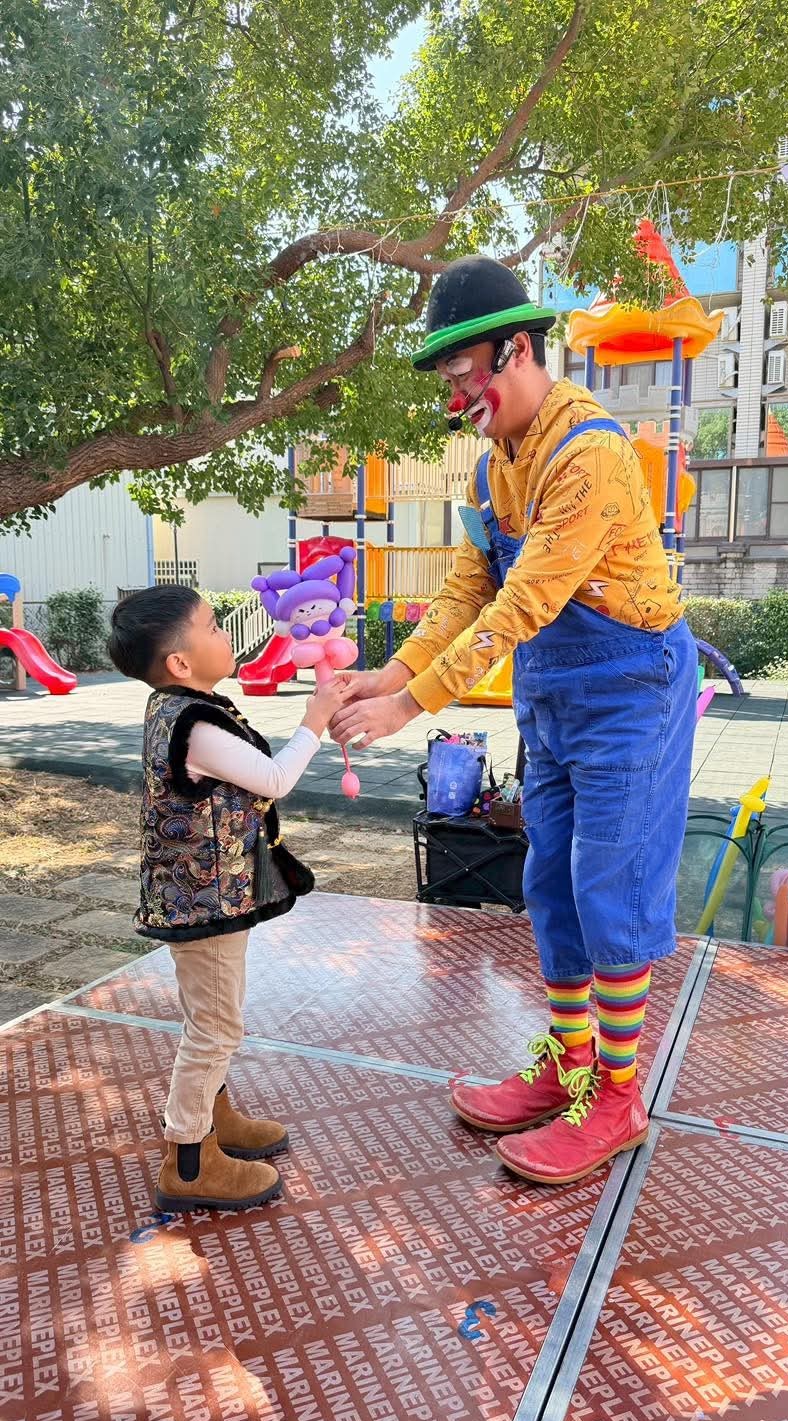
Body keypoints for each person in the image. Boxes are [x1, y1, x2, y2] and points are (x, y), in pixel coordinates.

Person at [331, 255, 697, 1186]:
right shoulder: (496, 463)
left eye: (464, 376)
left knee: (610, 888)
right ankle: (571, 1067)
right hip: (556, 700)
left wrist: (410, 705)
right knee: (550, 882)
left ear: (518, 350)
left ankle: (617, 1097)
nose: (457, 400)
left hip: (631, 693)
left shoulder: (591, 455)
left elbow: (522, 603)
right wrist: (390, 672)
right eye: (449, 384)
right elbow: (468, 589)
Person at [109, 585, 344, 1211]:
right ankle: (188, 1161)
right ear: (180, 662)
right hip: (205, 902)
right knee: (215, 1028)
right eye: (213, 626)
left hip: (201, 895)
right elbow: (275, 779)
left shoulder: (180, 706)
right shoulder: (194, 724)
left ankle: (215, 1118)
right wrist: (316, 718)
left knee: (208, 1019)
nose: (225, 634)